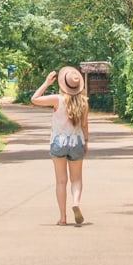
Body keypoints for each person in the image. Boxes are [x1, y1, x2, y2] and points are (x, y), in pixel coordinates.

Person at [31, 66, 89, 226]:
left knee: (61, 181)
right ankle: (76, 202)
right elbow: (84, 125)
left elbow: (34, 99)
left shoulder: (57, 99)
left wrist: (46, 83)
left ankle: (63, 218)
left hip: (58, 142)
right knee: (76, 179)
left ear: (63, 85)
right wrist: (86, 141)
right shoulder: (84, 102)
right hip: (77, 142)